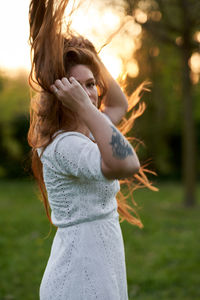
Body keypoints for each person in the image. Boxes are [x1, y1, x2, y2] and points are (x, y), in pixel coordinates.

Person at [28, 0, 156, 298]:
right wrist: (88, 107)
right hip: (79, 276)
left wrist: (91, 56)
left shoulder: (86, 130)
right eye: (78, 86)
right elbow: (126, 164)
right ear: (62, 94)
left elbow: (118, 104)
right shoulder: (65, 144)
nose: (89, 94)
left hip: (100, 263)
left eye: (91, 84)